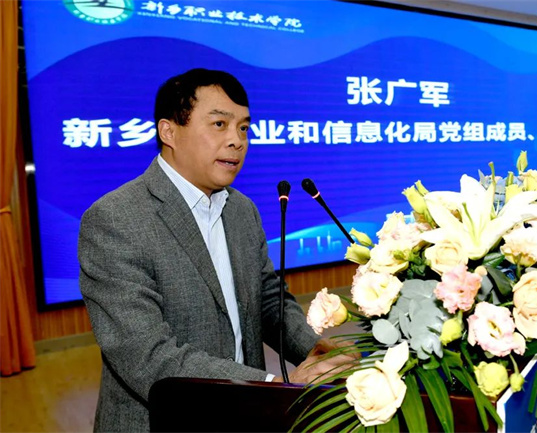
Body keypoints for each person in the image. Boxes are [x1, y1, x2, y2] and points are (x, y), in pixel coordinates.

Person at [78, 68, 352, 432]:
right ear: (169, 132)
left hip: (246, 418)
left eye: (244, 128)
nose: (237, 141)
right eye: (219, 124)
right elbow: (146, 355)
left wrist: (316, 349)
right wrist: (269, 387)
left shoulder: (242, 210)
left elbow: (268, 302)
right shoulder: (116, 219)